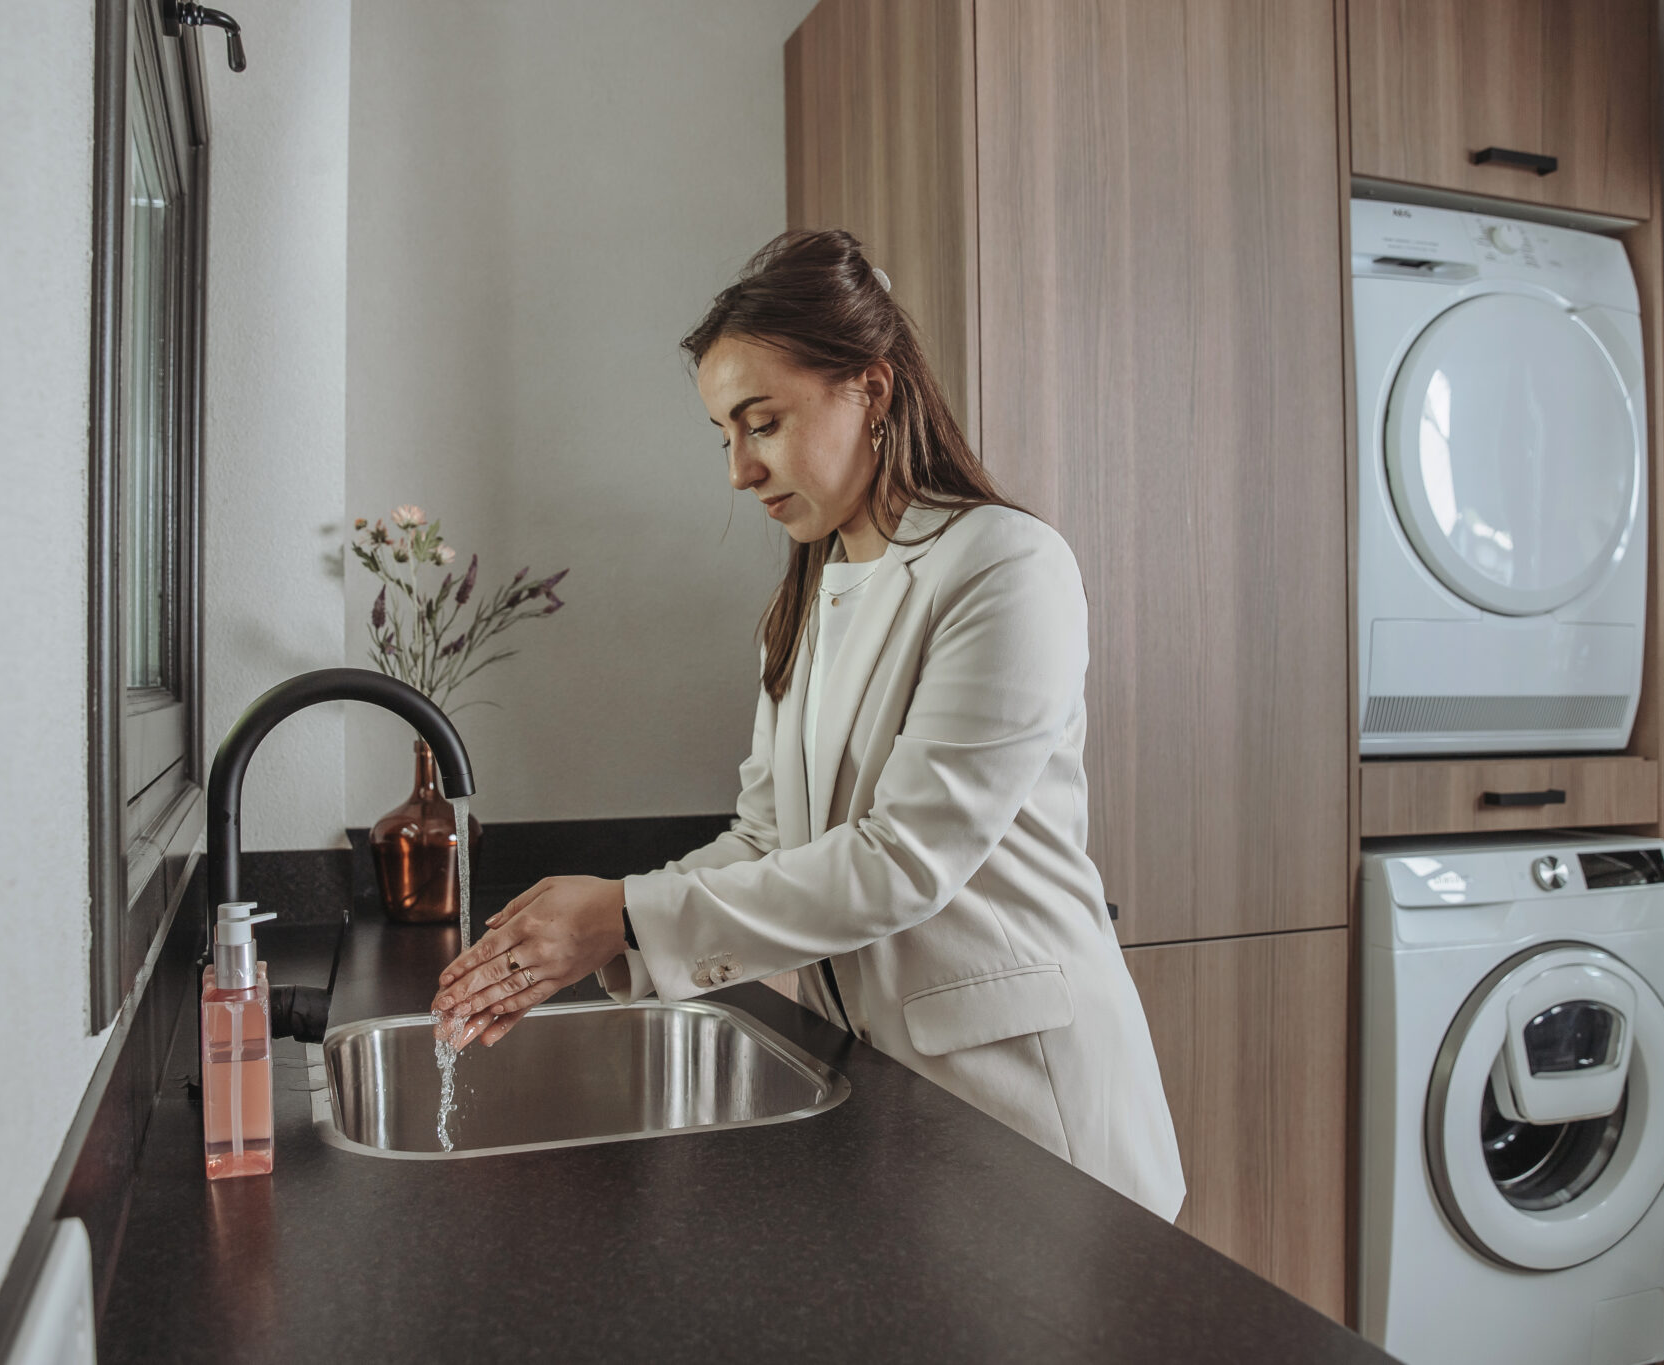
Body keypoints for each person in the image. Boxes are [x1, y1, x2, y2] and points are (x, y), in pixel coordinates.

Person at [431, 228, 1186, 1221]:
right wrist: (605, 924)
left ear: (870, 390)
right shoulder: (807, 600)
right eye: (724, 435)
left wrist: (623, 912)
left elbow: (904, 861)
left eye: (763, 423)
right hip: (899, 1103)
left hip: (1033, 1112)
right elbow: (767, 840)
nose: (738, 471)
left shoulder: (1006, 566)